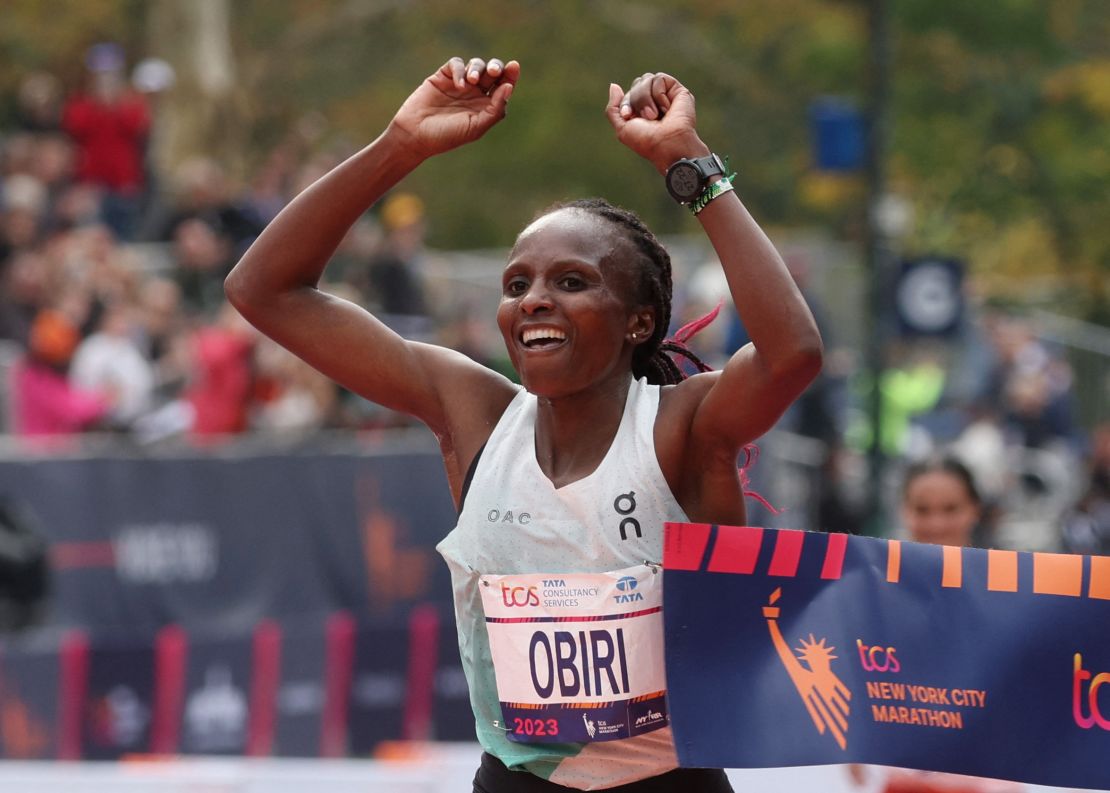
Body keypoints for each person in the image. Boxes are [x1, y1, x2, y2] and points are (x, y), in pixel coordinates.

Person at [226, 57, 822, 792]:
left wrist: (684, 162)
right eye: (517, 284)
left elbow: (793, 353)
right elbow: (264, 290)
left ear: (640, 320)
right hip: (515, 780)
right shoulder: (473, 413)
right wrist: (402, 144)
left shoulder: (681, 428)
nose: (534, 299)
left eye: (571, 281)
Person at [900, 456, 982, 548]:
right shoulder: (883, 561)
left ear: (975, 509)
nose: (937, 526)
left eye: (950, 509)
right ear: (904, 510)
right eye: (922, 510)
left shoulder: (999, 561)